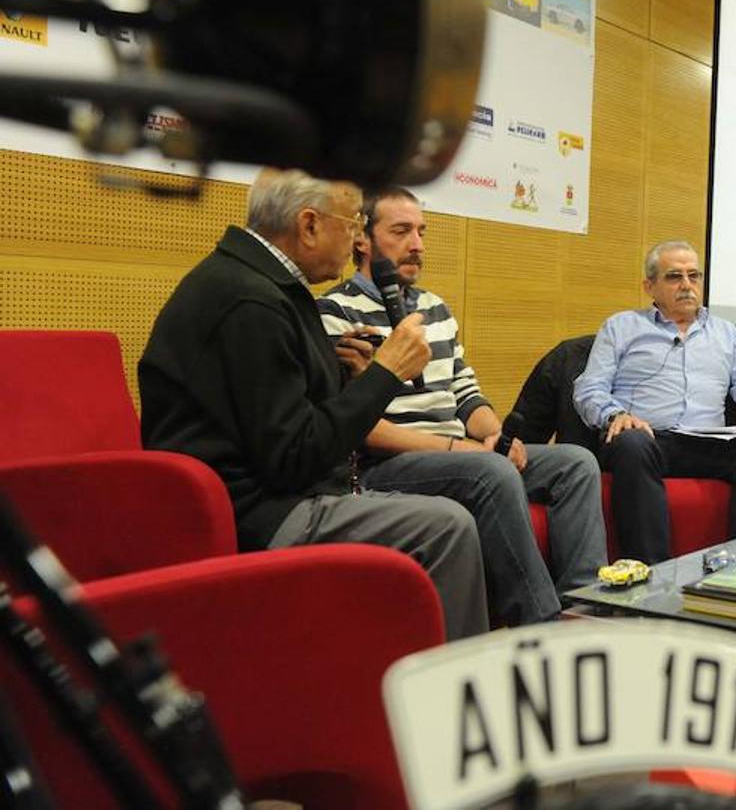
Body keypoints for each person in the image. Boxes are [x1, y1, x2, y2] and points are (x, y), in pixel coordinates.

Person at [139, 169, 489, 640]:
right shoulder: (251, 301)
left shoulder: (259, 284)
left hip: (281, 494)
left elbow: (284, 411)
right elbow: (294, 457)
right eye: (351, 224)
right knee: (447, 527)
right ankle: (449, 703)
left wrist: (344, 374)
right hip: (258, 514)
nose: (354, 240)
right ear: (308, 225)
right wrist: (386, 373)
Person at [317, 186, 606, 625]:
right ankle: (541, 624)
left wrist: (492, 433)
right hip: (388, 463)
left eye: (421, 232)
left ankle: (586, 606)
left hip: (455, 455)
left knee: (576, 463)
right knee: (490, 471)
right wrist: (459, 451)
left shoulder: (434, 308)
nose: (417, 244)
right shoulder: (335, 311)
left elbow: (465, 392)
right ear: (363, 240)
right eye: (401, 231)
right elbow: (360, 427)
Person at [573, 240, 736, 563]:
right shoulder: (621, 327)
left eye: (694, 276)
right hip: (648, 438)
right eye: (674, 277)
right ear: (649, 286)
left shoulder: (725, 333)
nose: (687, 285)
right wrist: (615, 415)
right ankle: (652, 574)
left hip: (709, 442)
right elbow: (589, 388)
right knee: (631, 445)